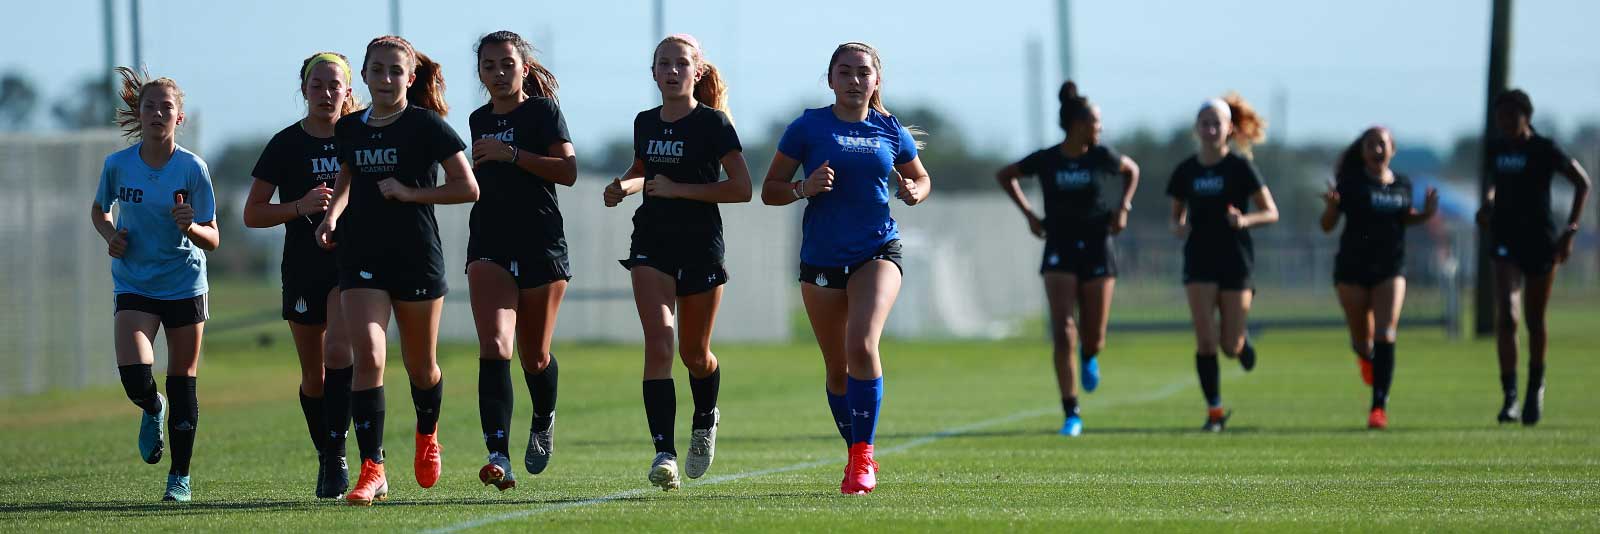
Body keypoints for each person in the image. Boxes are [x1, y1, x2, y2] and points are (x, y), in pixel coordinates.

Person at [759, 42, 931, 494]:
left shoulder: (890, 129)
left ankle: (862, 459)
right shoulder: (807, 127)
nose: (855, 80)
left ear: (876, 81)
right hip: (820, 258)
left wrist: (915, 190)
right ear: (830, 79)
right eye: (845, 72)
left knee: (862, 343)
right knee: (837, 370)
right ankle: (856, 447)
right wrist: (804, 188)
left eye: (863, 73)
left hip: (878, 250)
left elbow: (921, 176)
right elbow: (770, 189)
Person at [314, 35, 479, 505]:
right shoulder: (349, 129)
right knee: (369, 355)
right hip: (361, 256)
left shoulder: (427, 126)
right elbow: (347, 176)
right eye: (377, 70)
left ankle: (427, 434)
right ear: (363, 77)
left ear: (410, 77)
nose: (385, 79)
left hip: (416, 257)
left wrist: (410, 194)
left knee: (421, 367)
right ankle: (373, 469)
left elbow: (467, 188)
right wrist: (332, 215)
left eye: (395, 71)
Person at [603, 34, 751, 491]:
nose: (672, 71)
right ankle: (663, 452)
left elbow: (742, 188)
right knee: (660, 341)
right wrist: (622, 187)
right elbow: (643, 170)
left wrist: (680, 190)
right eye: (663, 63)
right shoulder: (645, 122)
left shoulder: (714, 125)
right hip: (652, 241)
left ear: (697, 72)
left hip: (701, 245)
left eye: (681, 64)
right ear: (653, 73)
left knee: (694, 353)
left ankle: (705, 417)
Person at [91, 67, 220, 502]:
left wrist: (191, 229)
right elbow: (99, 211)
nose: (158, 114)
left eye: (167, 108)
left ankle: (179, 478)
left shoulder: (192, 168)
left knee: (183, 379)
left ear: (178, 118)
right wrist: (112, 237)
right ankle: (152, 407)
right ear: (139, 113)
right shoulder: (118, 165)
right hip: (135, 283)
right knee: (135, 376)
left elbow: (213, 237)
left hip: (184, 283)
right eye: (150, 106)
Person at [994, 80, 1139, 437]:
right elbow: (1006, 175)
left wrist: (1123, 207)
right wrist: (1029, 214)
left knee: (1094, 336)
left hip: (1097, 245)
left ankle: (1090, 356)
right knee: (1063, 332)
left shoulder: (1102, 156)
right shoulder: (1048, 159)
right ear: (1078, 123)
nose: (1100, 127)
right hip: (1058, 244)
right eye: (1096, 121)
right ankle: (1071, 412)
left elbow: (1131, 171)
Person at [466, 30, 576, 492]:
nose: (497, 73)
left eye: (506, 64)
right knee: (495, 345)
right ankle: (498, 456)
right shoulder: (476, 119)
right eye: (488, 66)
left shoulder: (544, 112)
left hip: (541, 241)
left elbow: (568, 171)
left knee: (533, 356)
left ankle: (544, 416)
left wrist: (512, 155)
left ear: (523, 68)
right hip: (488, 241)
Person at [1165, 93, 1279, 432]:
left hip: (1235, 260)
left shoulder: (1240, 167)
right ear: (1197, 129)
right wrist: (1179, 227)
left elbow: (1271, 212)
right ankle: (1214, 412)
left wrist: (1244, 221)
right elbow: (1174, 219)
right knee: (1205, 340)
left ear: (1229, 128)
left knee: (1229, 345)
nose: (1211, 128)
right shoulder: (1185, 171)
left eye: (1217, 122)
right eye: (1205, 123)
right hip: (1199, 259)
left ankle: (1242, 345)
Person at [1476, 89, 1590, 426]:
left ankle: (1534, 388)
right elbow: (1492, 184)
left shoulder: (1544, 149)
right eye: (1500, 119)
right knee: (1507, 318)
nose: (1506, 124)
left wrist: (1570, 231)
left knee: (1534, 320)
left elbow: (1582, 183)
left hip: (1540, 242)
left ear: (1526, 116)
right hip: (1504, 238)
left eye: (1512, 117)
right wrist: (1489, 203)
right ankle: (1509, 396)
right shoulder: (1496, 150)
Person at [1320, 126, 1438, 430]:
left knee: (1386, 333)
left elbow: (1405, 217)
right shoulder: (1351, 184)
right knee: (1363, 341)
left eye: (1382, 144)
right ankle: (1364, 356)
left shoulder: (1402, 184)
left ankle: (1378, 408)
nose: (1377, 149)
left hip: (1390, 267)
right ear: (1363, 151)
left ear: (1392, 149)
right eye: (1371, 144)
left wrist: (1426, 214)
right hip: (1352, 268)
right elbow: (1327, 226)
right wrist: (1332, 208)